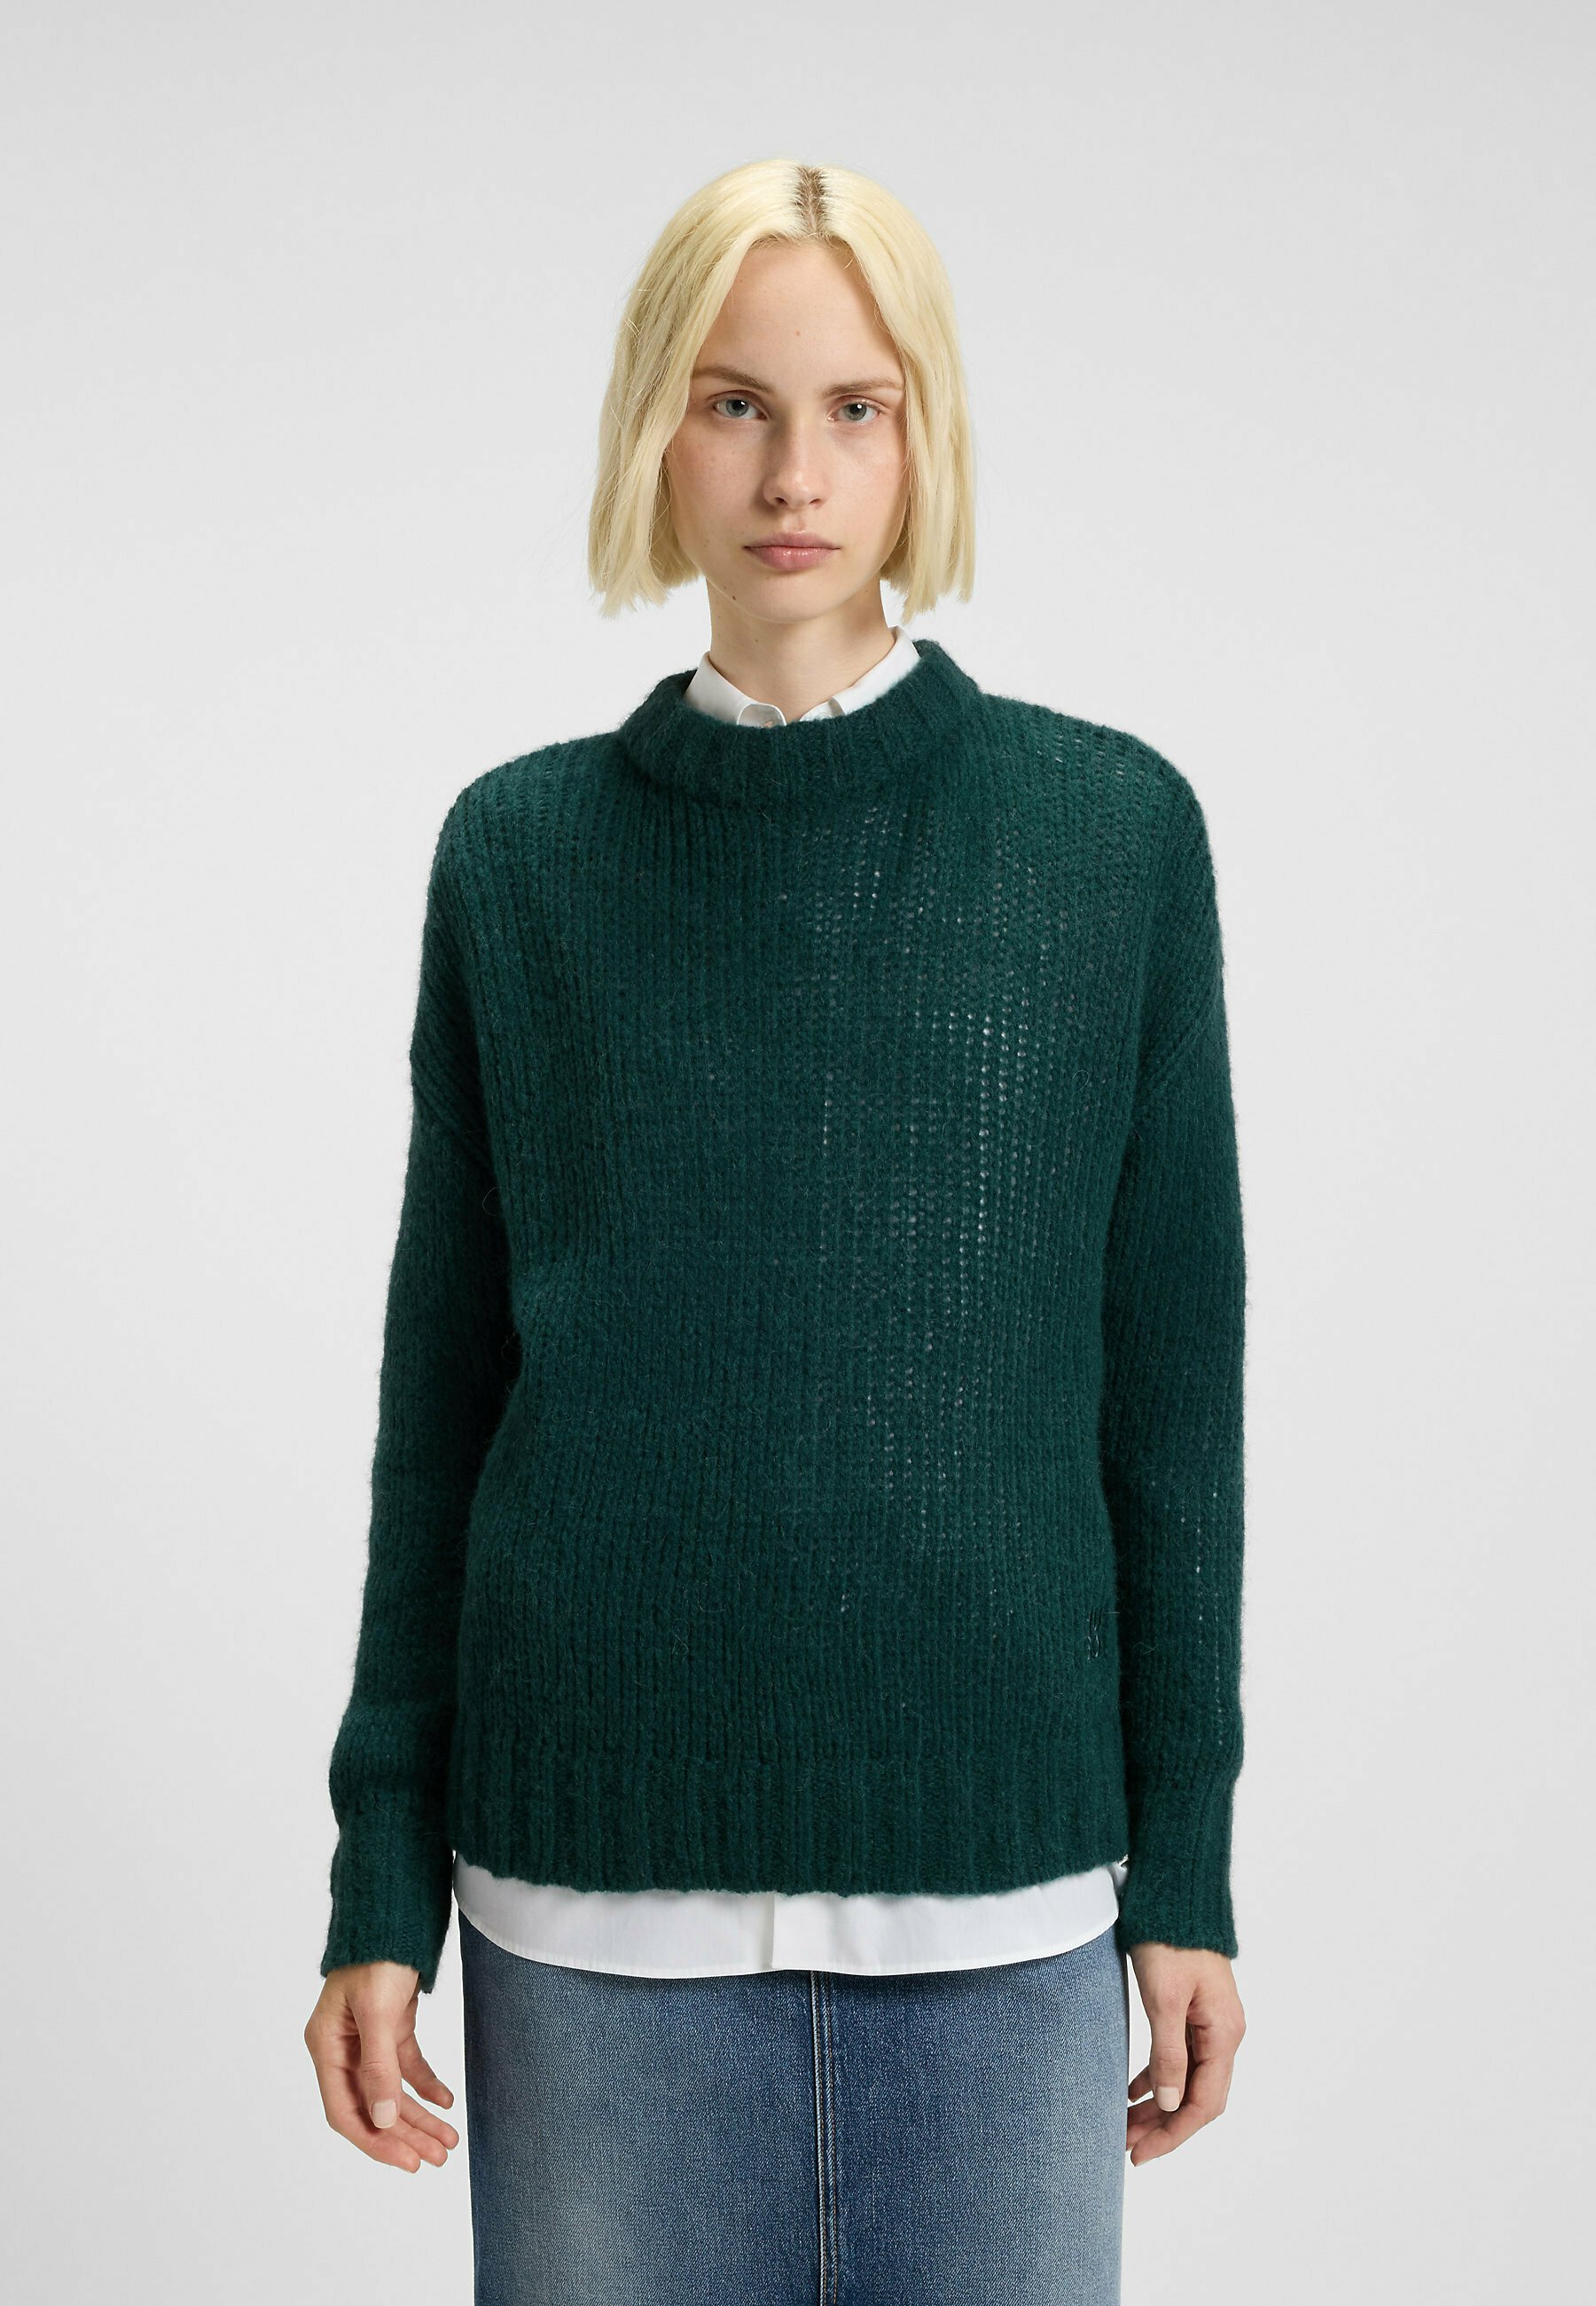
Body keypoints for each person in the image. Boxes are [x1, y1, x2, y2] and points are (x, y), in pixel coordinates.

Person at [304, 155, 1248, 2303]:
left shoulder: (1108, 840)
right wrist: (379, 1875)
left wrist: (1184, 1862)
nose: (794, 473)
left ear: (926, 438)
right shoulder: (521, 860)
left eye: (854, 408)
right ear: (659, 429)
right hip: (590, 1916)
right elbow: (440, 1404)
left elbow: (1170, 1402)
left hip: (1005, 1906)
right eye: (733, 403)